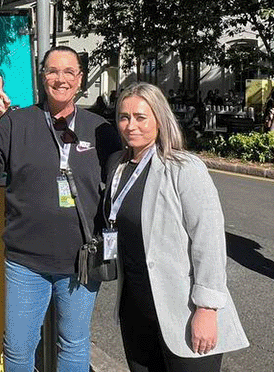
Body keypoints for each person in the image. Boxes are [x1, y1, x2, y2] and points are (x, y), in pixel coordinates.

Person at [0, 45, 122, 372]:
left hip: (79, 261)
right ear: (42, 76)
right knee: (19, 348)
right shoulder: (16, 123)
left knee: (74, 343)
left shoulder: (102, 130)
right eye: (53, 71)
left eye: (69, 72)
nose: (60, 79)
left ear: (80, 80)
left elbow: (121, 188)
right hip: (26, 262)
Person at [106, 83, 248, 372]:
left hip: (183, 309)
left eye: (140, 117)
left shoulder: (184, 167)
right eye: (124, 117)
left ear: (160, 119)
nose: (130, 125)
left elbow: (208, 241)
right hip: (136, 308)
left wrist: (207, 309)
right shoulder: (118, 168)